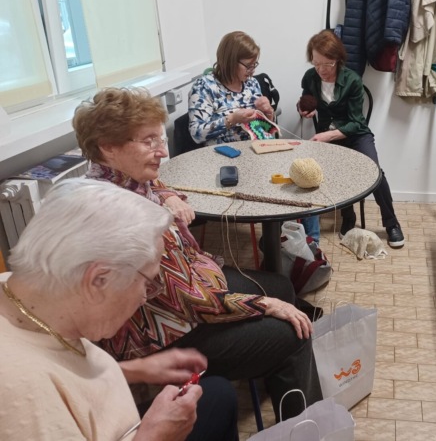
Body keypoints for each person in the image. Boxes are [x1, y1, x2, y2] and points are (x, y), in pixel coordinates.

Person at [72, 88, 322, 422]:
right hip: (162, 333)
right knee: (292, 330)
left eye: (160, 139)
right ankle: (306, 427)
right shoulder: (123, 218)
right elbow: (194, 302)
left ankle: (275, 373)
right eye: (148, 141)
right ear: (108, 146)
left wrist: (169, 196)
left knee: (281, 287)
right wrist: (265, 306)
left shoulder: (115, 178)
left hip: (187, 295)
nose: (162, 151)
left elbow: (154, 184)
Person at [0, 179, 204, 440]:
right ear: (98, 280)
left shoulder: (21, 289)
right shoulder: (22, 392)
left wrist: (134, 370)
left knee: (220, 396)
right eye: (146, 282)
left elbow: (65, 374)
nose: (145, 297)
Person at [297, 29, 405, 248]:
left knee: (375, 173)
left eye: (327, 64)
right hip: (328, 136)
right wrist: (304, 110)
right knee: (337, 172)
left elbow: (357, 122)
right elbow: (307, 101)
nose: (321, 70)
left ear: (338, 59)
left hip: (355, 134)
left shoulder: (352, 80)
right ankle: (348, 217)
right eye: (316, 63)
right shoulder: (310, 77)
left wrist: (328, 135)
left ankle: (392, 223)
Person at [188, 31, 276, 145]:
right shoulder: (204, 87)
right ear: (230, 62)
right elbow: (196, 134)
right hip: (224, 153)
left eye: (254, 64)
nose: (252, 70)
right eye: (248, 66)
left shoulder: (251, 83)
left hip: (256, 149)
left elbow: (263, 130)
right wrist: (232, 119)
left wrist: (268, 114)